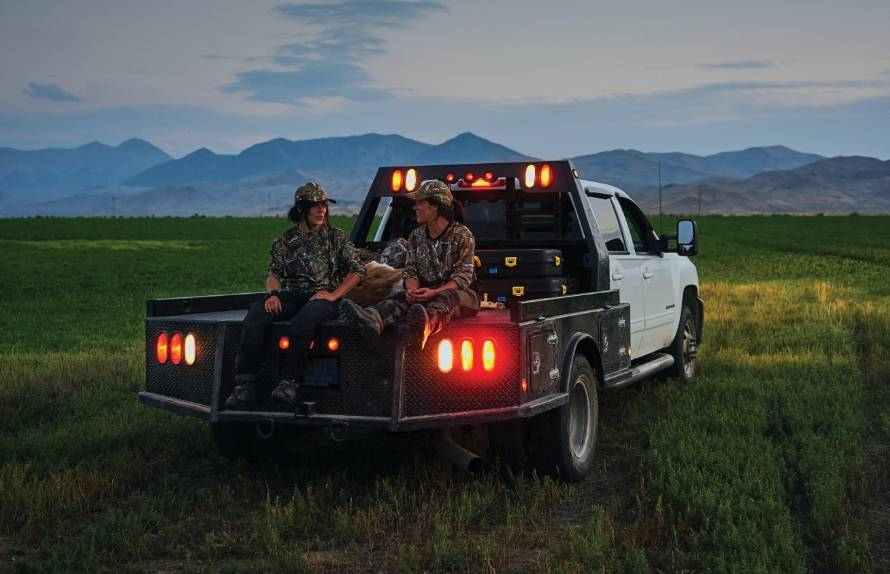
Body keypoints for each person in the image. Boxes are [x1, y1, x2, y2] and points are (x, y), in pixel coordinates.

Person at [225, 183, 366, 408]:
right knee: (256, 314)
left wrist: (334, 295)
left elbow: (358, 271)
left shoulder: (337, 238)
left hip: (324, 298)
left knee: (305, 319)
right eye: (315, 206)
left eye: (324, 206)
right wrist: (273, 294)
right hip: (292, 295)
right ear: (301, 209)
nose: (321, 211)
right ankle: (244, 385)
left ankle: (288, 383)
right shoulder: (285, 241)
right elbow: (274, 273)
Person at [342, 180, 479, 351]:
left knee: (449, 296)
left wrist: (435, 292)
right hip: (425, 290)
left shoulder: (463, 235)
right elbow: (410, 270)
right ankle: (372, 320)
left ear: (435, 206)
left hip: (460, 295)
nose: (415, 208)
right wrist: (412, 290)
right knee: (401, 296)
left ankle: (425, 326)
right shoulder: (416, 236)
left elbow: (463, 277)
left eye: (420, 203)